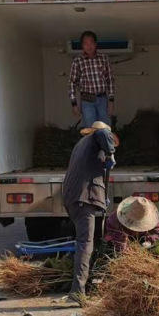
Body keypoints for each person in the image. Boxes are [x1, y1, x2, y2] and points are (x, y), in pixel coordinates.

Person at [61, 121, 118, 305]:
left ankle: (81, 286)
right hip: (83, 198)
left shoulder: (81, 145)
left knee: (84, 242)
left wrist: (102, 199)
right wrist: (110, 154)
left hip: (74, 198)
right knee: (85, 244)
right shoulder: (96, 137)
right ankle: (77, 292)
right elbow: (103, 135)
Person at [69, 31, 115, 128]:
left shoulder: (104, 59)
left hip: (102, 98)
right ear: (82, 45)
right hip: (87, 100)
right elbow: (72, 83)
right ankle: (92, 143)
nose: (89, 46)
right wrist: (74, 104)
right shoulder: (77, 61)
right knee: (90, 128)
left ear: (95, 44)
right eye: (86, 44)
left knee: (105, 128)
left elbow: (110, 79)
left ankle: (104, 143)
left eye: (91, 43)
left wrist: (111, 100)